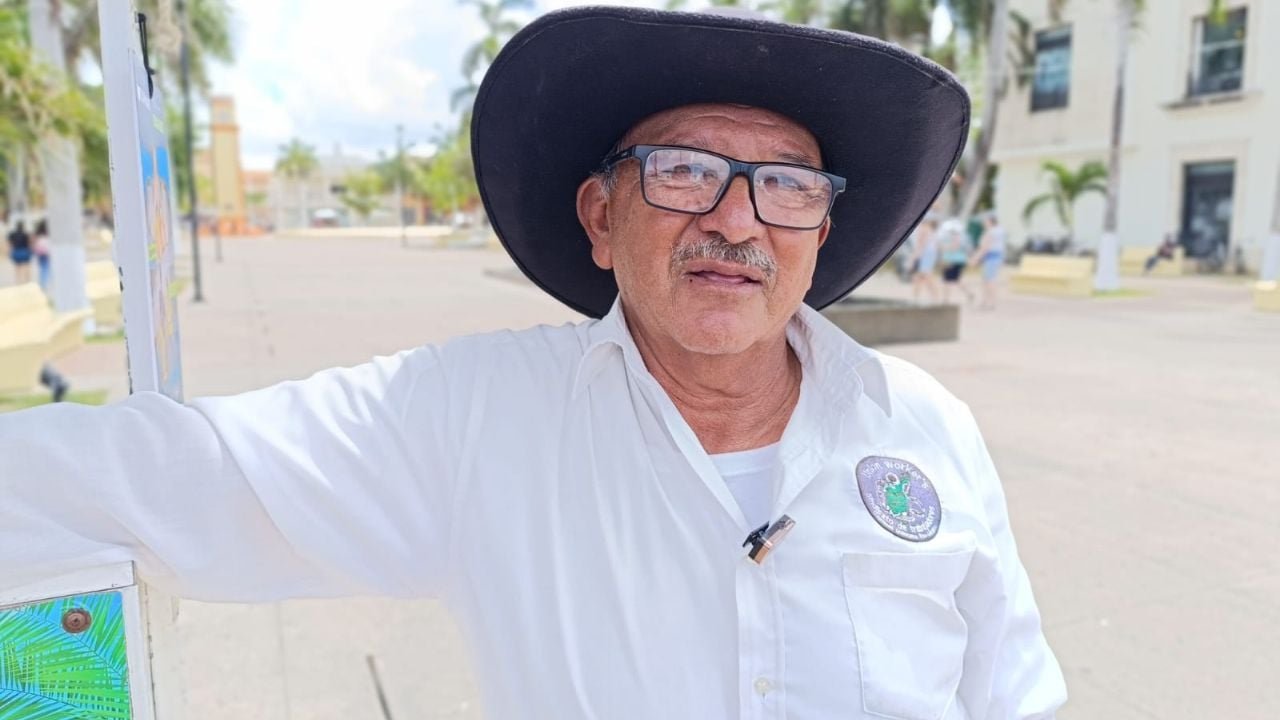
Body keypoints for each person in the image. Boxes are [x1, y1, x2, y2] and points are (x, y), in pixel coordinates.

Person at [0, 8, 1066, 719]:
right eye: (685, 172)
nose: (736, 220)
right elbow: (161, 474)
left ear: (822, 230)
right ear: (600, 216)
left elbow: (1010, 694)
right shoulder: (476, 421)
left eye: (786, 186)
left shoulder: (923, 428)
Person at [971, 212, 1007, 310]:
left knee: (989, 281)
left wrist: (975, 259)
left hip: (991, 258)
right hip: (996, 257)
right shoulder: (1000, 230)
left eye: (985, 221)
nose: (983, 223)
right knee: (988, 280)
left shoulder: (990, 232)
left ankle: (989, 302)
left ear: (990, 221)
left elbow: (985, 247)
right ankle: (987, 301)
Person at [939, 218, 976, 304]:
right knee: (956, 280)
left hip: (953, 261)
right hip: (954, 260)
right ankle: (969, 293)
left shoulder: (956, 236)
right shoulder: (954, 236)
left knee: (947, 280)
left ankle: (946, 300)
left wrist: (946, 248)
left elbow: (953, 247)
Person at [907, 217, 941, 303]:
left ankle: (933, 297)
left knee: (925, 276)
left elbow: (921, 244)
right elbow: (935, 246)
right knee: (919, 277)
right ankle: (917, 298)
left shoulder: (923, 229)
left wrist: (913, 258)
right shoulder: (930, 230)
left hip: (924, 255)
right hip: (929, 254)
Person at [7, 219, 33, 285]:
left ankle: (19, 282)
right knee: (26, 266)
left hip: (16, 251)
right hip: (24, 251)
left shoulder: (12, 234)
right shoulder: (25, 234)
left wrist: (10, 251)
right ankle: (27, 281)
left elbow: (10, 243)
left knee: (17, 267)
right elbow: (29, 243)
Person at [32, 218, 51, 290]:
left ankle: (42, 283)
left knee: (43, 268)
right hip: (47, 251)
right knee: (47, 267)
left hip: (39, 252)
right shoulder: (48, 233)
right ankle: (45, 283)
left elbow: (34, 242)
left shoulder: (37, 233)